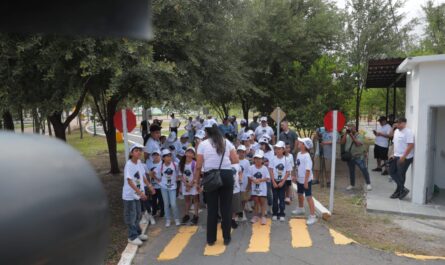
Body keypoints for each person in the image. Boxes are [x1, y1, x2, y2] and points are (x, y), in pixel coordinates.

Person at [194, 120, 239, 246]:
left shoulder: (203, 144)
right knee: (226, 208)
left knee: (212, 209)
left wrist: (197, 182)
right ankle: (226, 238)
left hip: (211, 177)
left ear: (206, 132)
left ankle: (211, 239)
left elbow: (198, 166)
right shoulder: (226, 142)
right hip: (226, 175)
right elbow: (235, 159)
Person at [123, 143, 155, 246]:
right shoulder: (129, 164)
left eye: (140, 150)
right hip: (129, 196)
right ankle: (132, 237)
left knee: (138, 214)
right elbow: (129, 181)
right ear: (131, 153)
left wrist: (149, 186)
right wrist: (141, 193)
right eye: (136, 150)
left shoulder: (139, 163)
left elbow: (143, 176)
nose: (139, 152)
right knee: (131, 216)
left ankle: (137, 233)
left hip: (137, 194)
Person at [292, 138, 317, 225]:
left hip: (306, 179)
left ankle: (313, 216)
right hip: (300, 179)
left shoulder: (307, 156)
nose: (298, 142)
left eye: (301, 142)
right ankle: (301, 208)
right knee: (299, 194)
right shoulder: (299, 154)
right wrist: (295, 176)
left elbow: (308, 170)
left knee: (308, 197)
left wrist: (306, 182)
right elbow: (297, 166)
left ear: (305, 146)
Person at [388, 117, 414, 200]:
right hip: (396, 155)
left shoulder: (408, 132)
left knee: (400, 174)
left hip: (405, 157)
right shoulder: (396, 131)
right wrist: (393, 154)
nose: (397, 124)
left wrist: (403, 157)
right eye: (396, 123)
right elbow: (394, 143)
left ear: (404, 123)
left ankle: (399, 191)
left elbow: (410, 145)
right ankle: (403, 189)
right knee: (391, 171)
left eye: (398, 123)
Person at [341, 124, 372, 191]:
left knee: (364, 170)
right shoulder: (347, 135)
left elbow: (358, 144)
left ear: (355, 128)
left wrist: (352, 136)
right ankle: (352, 184)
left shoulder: (360, 135)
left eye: (351, 128)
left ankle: (368, 184)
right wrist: (346, 133)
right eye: (349, 128)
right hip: (350, 157)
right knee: (351, 171)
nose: (350, 130)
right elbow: (342, 142)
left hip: (358, 156)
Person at [155, 149, 181, 227]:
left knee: (173, 204)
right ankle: (168, 219)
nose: (169, 158)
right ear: (163, 158)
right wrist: (158, 181)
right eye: (167, 156)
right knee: (166, 204)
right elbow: (152, 173)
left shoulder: (175, 164)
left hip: (173, 187)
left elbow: (179, 173)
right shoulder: (160, 166)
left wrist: (177, 178)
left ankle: (176, 219)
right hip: (163, 187)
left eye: (170, 156)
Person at [269, 141, 292, 221]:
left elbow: (288, 172)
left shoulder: (287, 159)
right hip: (274, 181)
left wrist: (282, 182)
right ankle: (275, 213)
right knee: (275, 198)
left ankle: (282, 213)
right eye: (276, 149)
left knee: (282, 198)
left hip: (282, 182)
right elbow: (271, 170)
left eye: (279, 149)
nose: (277, 150)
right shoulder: (272, 159)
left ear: (283, 150)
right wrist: (273, 182)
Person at [248, 150, 270, 225]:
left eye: (259, 159)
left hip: (262, 188)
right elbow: (249, 176)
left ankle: (263, 216)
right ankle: (255, 216)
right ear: (254, 159)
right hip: (254, 188)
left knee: (262, 201)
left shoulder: (264, 168)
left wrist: (260, 180)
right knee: (256, 201)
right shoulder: (251, 167)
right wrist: (253, 180)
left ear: (262, 160)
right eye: (256, 158)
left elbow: (267, 178)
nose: (258, 160)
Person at [179, 147, 199, 225]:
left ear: (194, 155)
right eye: (188, 152)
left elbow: (195, 175)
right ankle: (186, 215)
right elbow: (181, 175)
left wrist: (190, 184)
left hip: (193, 184)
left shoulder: (194, 163)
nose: (189, 154)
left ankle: (196, 215)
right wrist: (185, 184)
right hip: (185, 185)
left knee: (195, 199)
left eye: (191, 153)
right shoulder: (182, 163)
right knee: (187, 200)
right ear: (185, 153)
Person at [147, 149, 164, 218]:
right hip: (153, 185)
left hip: (161, 186)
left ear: (160, 155)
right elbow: (147, 174)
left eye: (157, 155)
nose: (156, 156)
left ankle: (162, 212)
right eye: (154, 155)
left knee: (161, 200)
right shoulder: (149, 163)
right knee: (153, 200)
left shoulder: (162, 163)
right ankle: (154, 212)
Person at [237, 145, 251, 221]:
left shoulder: (247, 162)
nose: (241, 153)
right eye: (239, 152)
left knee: (243, 199)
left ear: (245, 153)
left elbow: (248, 174)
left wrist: (248, 185)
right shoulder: (234, 160)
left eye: (243, 152)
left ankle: (242, 212)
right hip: (236, 183)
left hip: (244, 183)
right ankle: (237, 213)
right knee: (236, 199)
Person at [231, 162, 242, 229]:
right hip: (225, 189)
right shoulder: (224, 162)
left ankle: (233, 219)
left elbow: (240, 172)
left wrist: (240, 178)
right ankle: (224, 220)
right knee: (225, 206)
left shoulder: (237, 165)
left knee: (234, 206)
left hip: (236, 189)